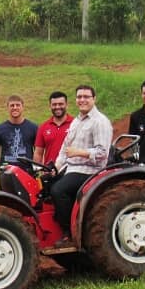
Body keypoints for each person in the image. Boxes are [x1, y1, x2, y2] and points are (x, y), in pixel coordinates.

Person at [51, 85, 112, 244]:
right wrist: (56, 168)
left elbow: (102, 153)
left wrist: (79, 152)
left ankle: (68, 233)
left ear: (94, 99)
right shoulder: (76, 121)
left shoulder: (99, 122)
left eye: (86, 97)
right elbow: (65, 148)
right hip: (71, 168)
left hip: (90, 171)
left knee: (59, 190)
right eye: (79, 97)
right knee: (45, 187)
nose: (82, 100)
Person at [0, 95, 38, 189]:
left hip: (27, 174)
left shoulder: (33, 128)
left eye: (17, 105)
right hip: (6, 174)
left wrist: (38, 173)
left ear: (22, 107)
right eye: (12, 105)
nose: (15, 108)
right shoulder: (0, 129)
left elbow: (38, 153)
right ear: (8, 107)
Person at [32, 91, 73, 166]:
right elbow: (38, 153)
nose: (57, 107)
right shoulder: (43, 127)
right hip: (50, 172)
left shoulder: (75, 124)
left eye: (61, 104)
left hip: (70, 170)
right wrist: (37, 171)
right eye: (54, 104)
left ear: (67, 105)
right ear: (50, 106)